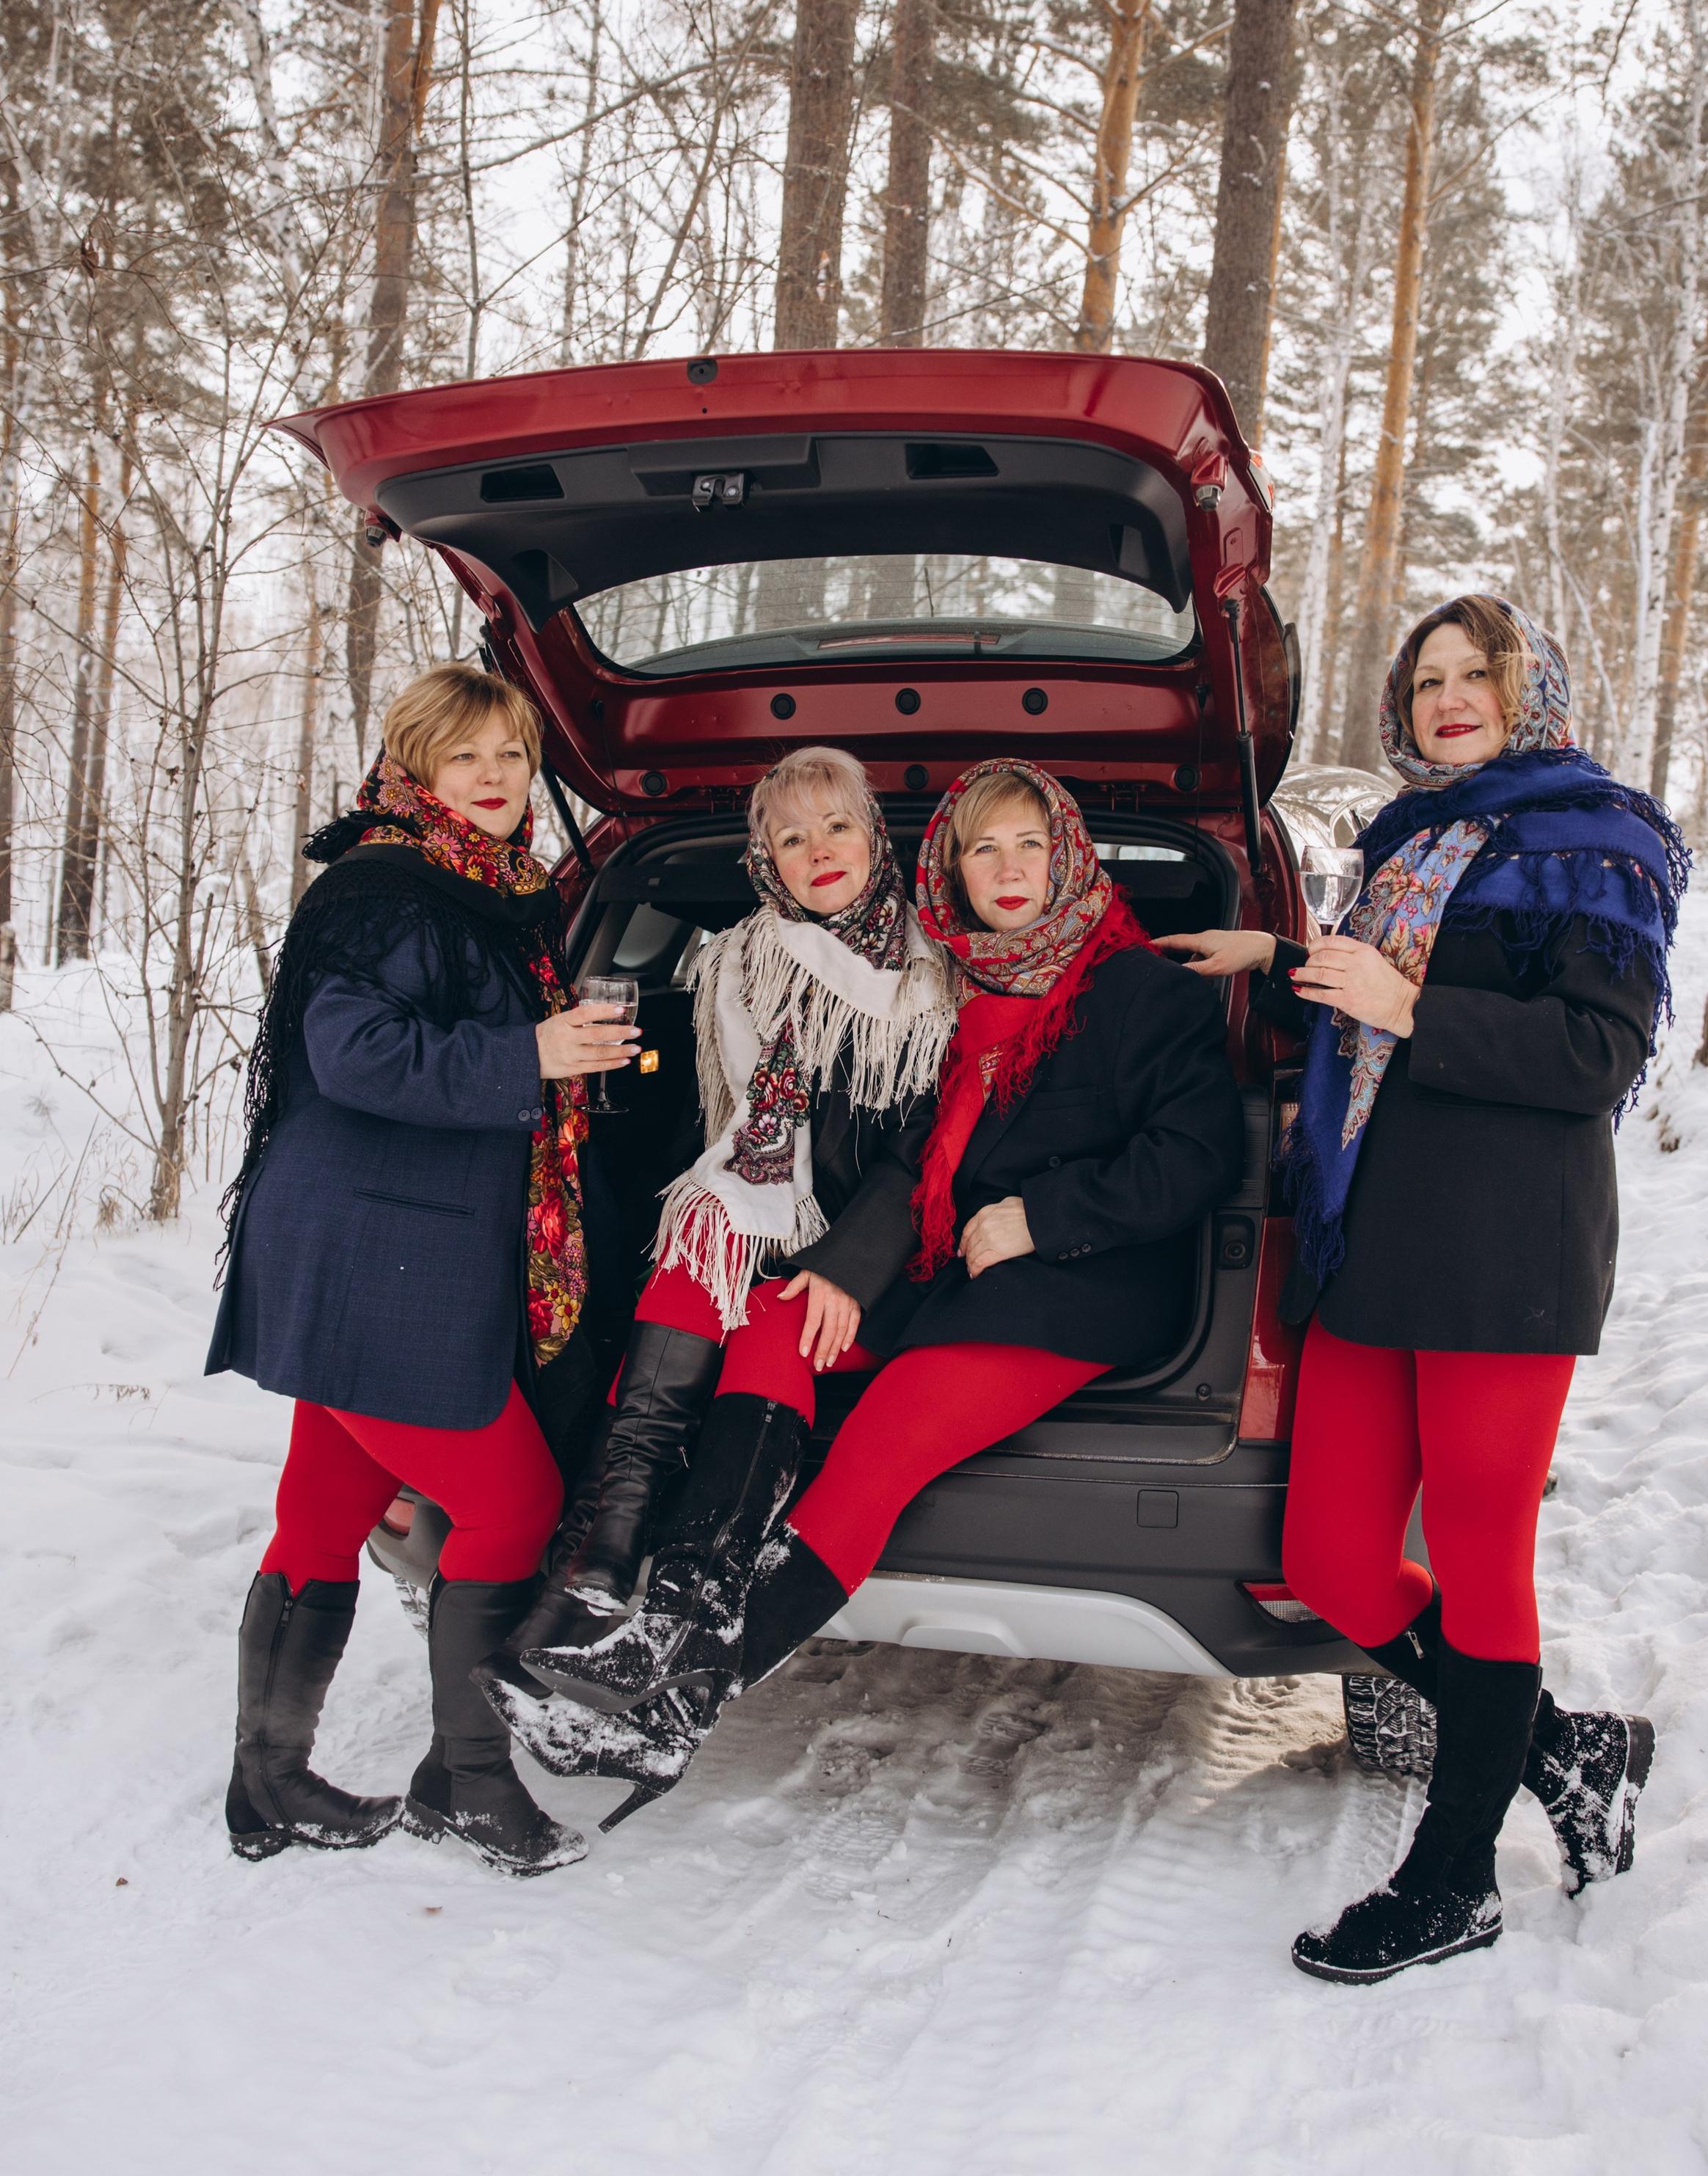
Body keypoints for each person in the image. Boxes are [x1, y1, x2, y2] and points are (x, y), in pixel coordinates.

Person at [504, 756, 1244, 1816]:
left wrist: (1042, 1216)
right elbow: (906, 1159)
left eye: (1030, 843)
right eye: (982, 846)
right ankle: (681, 1604)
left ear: (1070, 853)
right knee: (773, 1316)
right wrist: (842, 1271)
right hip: (948, 1272)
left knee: (875, 1447)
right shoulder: (954, 987)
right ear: (949, 863)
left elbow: (1199, 1155)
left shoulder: (1137, 987)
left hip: (1073, 1289)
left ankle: (682, 1703)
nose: (1009, 867)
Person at [1160, 594, 1688, 1985]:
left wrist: (1403, 1008)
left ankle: (1455, 1879)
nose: (1447, 698)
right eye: (1427, 679)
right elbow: (1367, 1004)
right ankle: (1569, 1749)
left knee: (1477, 1564)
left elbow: (1591, 1053)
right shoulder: (1411, 841)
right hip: (1376, 1242)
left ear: (1532, 690)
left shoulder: (1601, 841)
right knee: (1334, 1560)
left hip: (1508, 1250)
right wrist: (1288, 964)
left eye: (1476, 675)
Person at [207, 662, 638, 1876]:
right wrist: (531, 1053)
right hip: (373, 1252)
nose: (498, 779)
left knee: (322, 1510)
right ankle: (467, 1779)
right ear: (417, 768)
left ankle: (267, 1782)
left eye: (511, 755)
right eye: (469, 759)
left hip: (383, 1245)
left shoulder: (488, 889)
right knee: (513, 1503)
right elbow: (355, 1055)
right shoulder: (388, 887)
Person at [485, 745, 957, 1770]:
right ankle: (598, 1569)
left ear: (877, 838)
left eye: (837, 825)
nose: (817, 850)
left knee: (771, 1302)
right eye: (791, 836)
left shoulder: (932, 974)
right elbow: (721, 1137)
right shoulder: (737, 964)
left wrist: (841, 1264)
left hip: (879, 1266)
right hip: (762, 1238)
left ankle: (691, 1595)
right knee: (689, 1254)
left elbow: (924, 1158)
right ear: (765, 860)